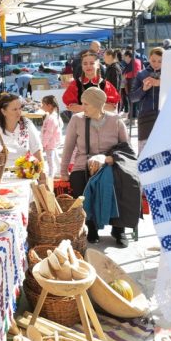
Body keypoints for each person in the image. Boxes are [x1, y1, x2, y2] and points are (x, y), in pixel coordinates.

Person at [59, 88, 130, 247]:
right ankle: (91, 226)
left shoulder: (116, 120)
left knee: (121, 183)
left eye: (86, 104)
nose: (82, 107)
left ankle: (119, 229)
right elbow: (68, 147)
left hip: (110, 162)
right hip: (83, 163)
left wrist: (108, 159)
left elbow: (126, 149)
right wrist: (63, 171)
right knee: (79, 182)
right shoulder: (77, 120)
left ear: (98, 104)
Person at [0, 93, 43, 166]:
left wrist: (41, 169)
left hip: (24, 169)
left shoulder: (26, 123)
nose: (19, 112)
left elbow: (36, 149)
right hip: (1, 170)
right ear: (3, 111)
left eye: (20, 108)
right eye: (14, 109)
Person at [130, 47, 164, 153]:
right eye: (153, 60)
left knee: (163, 151)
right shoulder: (141, 74)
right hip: (145, 116)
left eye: (160, 61)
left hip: (165, 116)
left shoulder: (169, 74)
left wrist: (162, 83)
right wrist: (143, 89)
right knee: (145, 151)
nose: (156, 64)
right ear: (149, 58)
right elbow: (132, 98)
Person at [40, 95, 63, 179]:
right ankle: (60, 171)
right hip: (53, 142)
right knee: (55, 157)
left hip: (50, 143)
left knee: (50, 160)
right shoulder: (54, 116)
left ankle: (50, 175)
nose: (42, 106)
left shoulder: (51, 118)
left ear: (49, 106)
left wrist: (43, 144)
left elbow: (48, 133)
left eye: (43, 104)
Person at [122, 49, 142, 119]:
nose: (124, 59)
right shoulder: (135, 61)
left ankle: (133, 116)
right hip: (133, 83)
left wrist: (126, 75)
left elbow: (135, 73)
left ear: (128, 56)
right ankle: (133, 115)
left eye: (125, 57)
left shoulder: (134, 62)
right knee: (133, 101)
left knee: (133, 101)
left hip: (133, 83)